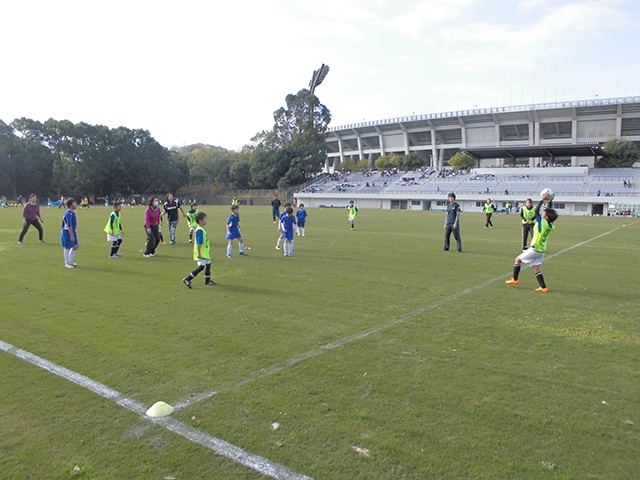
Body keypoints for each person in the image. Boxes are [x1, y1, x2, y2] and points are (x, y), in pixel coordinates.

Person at [506, 193, 558, 292]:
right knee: (536, 268)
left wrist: (542, 200)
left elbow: (536, 211)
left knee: (517, 260)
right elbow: (549, 213)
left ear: (546, 217)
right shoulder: (551, 225)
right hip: (541, 250)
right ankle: (543, 287)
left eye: (544, 214)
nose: (543, 214)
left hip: (535, 248)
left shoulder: (542, 222)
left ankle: (515, 279)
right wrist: (550, 202)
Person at [182, 212, 216, 288]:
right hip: (201, 252)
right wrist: (199, 253)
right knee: (201, 267)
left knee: (208, 264)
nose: (207, 220)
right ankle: (187, 279)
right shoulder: (200, 230)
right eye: (205, 219)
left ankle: (207, 281)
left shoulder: (202, 229)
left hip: (205, 252)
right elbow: (199, 242)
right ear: (200, 220)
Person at [61, 198, 79, 268]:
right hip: (67, 231)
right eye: (74, 203)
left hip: (72, 231)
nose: (76, 204)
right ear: (70, 205)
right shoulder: (68, 214)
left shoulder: (72, 213)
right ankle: (67, 262)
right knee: (68, 247)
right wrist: (71, 235)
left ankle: (70, 260)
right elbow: (69, 225)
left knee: (75, 246)